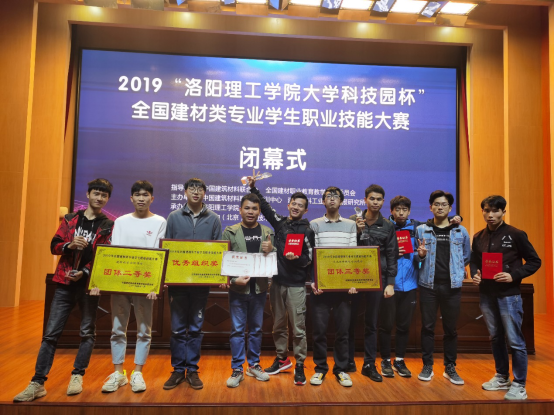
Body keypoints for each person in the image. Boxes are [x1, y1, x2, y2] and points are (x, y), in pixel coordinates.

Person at [14, 179, 114, 402]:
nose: (99, 198)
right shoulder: (71, 219)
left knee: (87, 333)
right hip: (63, 283)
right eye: (96, 193)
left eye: (104, 195)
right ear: (88, 194)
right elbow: (54, 246)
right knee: (50, 334)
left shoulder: (108, 225)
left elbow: (104, 255)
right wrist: (70, 245)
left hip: (88, 285)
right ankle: (37, 383)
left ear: (107, 199)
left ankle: (77, 376)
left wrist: (84, 272)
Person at [90, 181, 166, 394]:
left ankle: (138, 372)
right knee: (117, 328)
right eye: (137, 195)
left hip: (145, 286)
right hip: (120, 283)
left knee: (144, 330)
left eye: (145, 195)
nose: (141, 199)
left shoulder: (160, 221)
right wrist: (100, 282)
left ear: (152, 198)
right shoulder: (120, 221)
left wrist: (155, 285)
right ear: (131, 198)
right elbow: (112, 254)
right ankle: (118, 373)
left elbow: (159, 254)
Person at [379, 196, 462, 379]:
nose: (401, 213)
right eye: (397, 209)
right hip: (388, 284)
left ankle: (399, 360)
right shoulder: (385, 227)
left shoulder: (417, 227)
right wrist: (391, 253)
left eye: (404, 209)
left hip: (410, 284)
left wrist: (421, 255)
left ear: (409, 211)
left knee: (403, 326)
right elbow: (377, 252)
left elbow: (436, 225)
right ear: (391, 211)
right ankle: (385, 360)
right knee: (386, 325)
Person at [470, 195, 541, 401]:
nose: (490, 215)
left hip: (509, 295)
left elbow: (534, 261)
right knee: (495, 337)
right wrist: (475, 274)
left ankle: (519, 384)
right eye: (486, 210)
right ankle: (502, 377)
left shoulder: (516, 234)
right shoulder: (479, 236)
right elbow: (475, 261)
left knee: (515, 341)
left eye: (495, 211)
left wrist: (513, 275)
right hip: (486, 294)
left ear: (503, 212)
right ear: (482, 211)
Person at [247, 178, 315, 386]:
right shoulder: (280, 223)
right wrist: (253, 188)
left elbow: (310, 258)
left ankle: (300, 364)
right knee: (278, 325)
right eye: (294, 203)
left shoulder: (307, 230)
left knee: (298, 328)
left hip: (296, 286)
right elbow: (266, 207)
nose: (296, 207)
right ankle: (282, 359)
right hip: (276, 283)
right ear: (288, 205)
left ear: (305, 210)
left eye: (300, 205)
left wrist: (298, 259)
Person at [163, 178, 222, 391]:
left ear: (204, 193)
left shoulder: (214, 219)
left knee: (196, 328)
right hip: (178, 283)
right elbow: (167, 248)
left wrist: (218, 276)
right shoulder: (173, 217)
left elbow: (218, 250)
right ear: (185, 192)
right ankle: (178, 370)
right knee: (178, 329)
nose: (196, 192)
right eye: (192, 189)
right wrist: (166, 277)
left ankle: (193, 369)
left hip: (200, 283)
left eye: (200, 189)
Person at [416, 190, 471, 386]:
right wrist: (421, 256)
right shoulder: (421, 230)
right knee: (427, 327)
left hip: (452, 287)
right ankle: (427, 366)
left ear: (450, 208)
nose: (440, 207)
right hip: (428, 286)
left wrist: (456, 271)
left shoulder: (460, 231)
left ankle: (450, 367)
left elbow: (466, 256)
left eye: (444, 204)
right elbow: (416, 257)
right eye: (436, 204)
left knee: (451, 329)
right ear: (431, 207)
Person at [223, 193, 276, 388]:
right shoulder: (230, 231)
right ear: (240, 210)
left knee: (256, 329)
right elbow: (223, 259)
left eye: (254, 208)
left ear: (259, 211)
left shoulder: (267, 232)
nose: (250, 212)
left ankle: (253, 365)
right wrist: (233, 280)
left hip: (259, 289)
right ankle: (237, 369)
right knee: (237, 330)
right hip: (238, 290)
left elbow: (274, 259)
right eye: (247, 208)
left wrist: (272, 249)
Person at [348, 185, 398, 383]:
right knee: (349, 321)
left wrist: (390, 283)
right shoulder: (352, 221)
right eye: (372, 198)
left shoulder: (387, 225)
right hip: (353, 278)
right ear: (365, 200)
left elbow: (392, 254)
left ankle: (369, 364)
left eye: (378, 199)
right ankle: (347, 360)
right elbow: (345, 249)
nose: (375, 202)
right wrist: (357, 231)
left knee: (372, 323)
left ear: (383, 202)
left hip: (377, 279)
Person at [309, 187, 358, 388]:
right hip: (321, 287)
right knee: (319, 332)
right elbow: (313, 255)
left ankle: (341, 370)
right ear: (323, 201)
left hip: (343, 287)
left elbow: (353, 255)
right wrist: (314, 281)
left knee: (343, 332)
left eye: (336, 197)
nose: (332, 199)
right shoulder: (314, 224)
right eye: (328, 196)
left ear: (341, 202)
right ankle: (320, 369)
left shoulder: (351, 225)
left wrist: (353, 282)